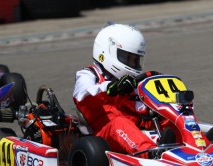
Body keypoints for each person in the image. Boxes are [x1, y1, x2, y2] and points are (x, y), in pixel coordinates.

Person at [73, 23, 174, 158]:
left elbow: (140, 106)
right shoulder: (88, 74)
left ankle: (198, 146)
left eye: (135, 60)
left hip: (134, 125)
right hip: (104, 132)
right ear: (106, 51)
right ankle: (151, 155)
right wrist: (111, 88)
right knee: (120, 123)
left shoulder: (132, 81)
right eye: (128, 58)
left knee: (168, 116)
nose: (133, 64)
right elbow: (82, 95)